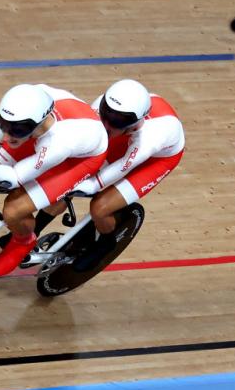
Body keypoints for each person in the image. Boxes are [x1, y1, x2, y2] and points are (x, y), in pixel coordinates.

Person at [0, 83, 108, 277]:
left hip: (78, 159)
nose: (6, 135)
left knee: (13, 209)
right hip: (40, 137)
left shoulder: (60, 141)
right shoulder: (19, 110)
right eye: (3, 125)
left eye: (14, 130)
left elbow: (15, 178)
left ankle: (23, 241)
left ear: (37, 123)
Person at [69, 79, 185, 269]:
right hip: (124, 137)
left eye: (117, 120)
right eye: (106, 114)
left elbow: (122, 167)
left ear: (135, 122)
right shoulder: (101, 108)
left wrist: (89, 185)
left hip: (157, 159)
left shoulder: (150, 137)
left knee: (100, 207)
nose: (107, 123)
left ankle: (106, 243)